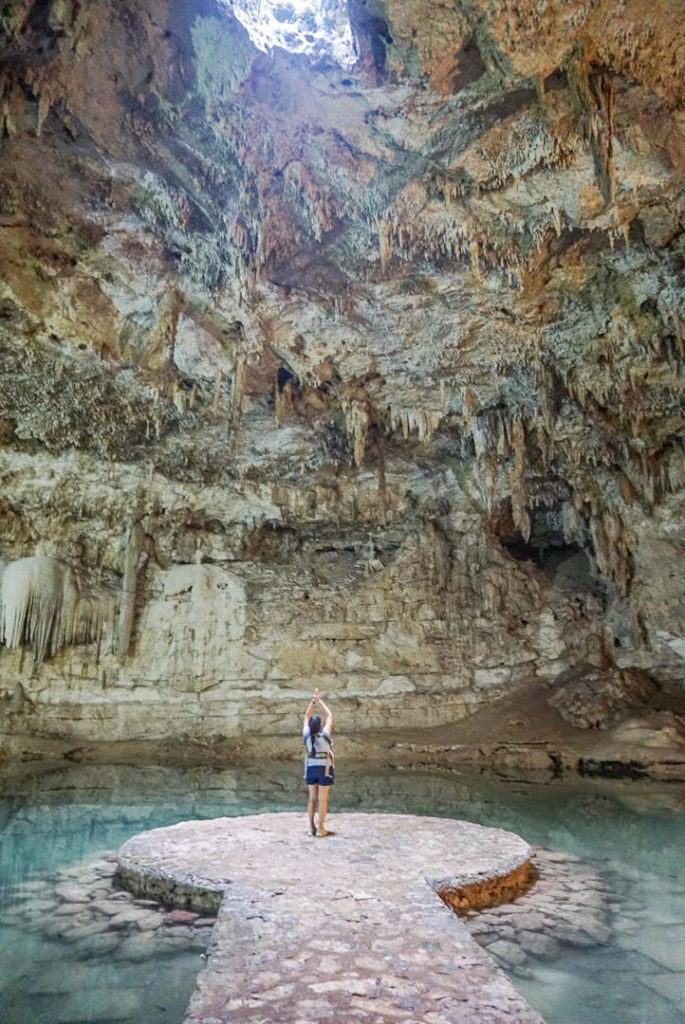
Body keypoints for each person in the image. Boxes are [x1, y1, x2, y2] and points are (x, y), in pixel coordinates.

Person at [302, 688, 334, 837]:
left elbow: (306, 715)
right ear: (320, 726)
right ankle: (321, 828)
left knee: (312, 798)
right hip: (324, 768)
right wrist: (320, 701)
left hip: (310, 767)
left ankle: (311, 827)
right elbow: (329, 715)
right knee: (322, 799)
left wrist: (313, 701)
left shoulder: (307, 735)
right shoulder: (325, 734)